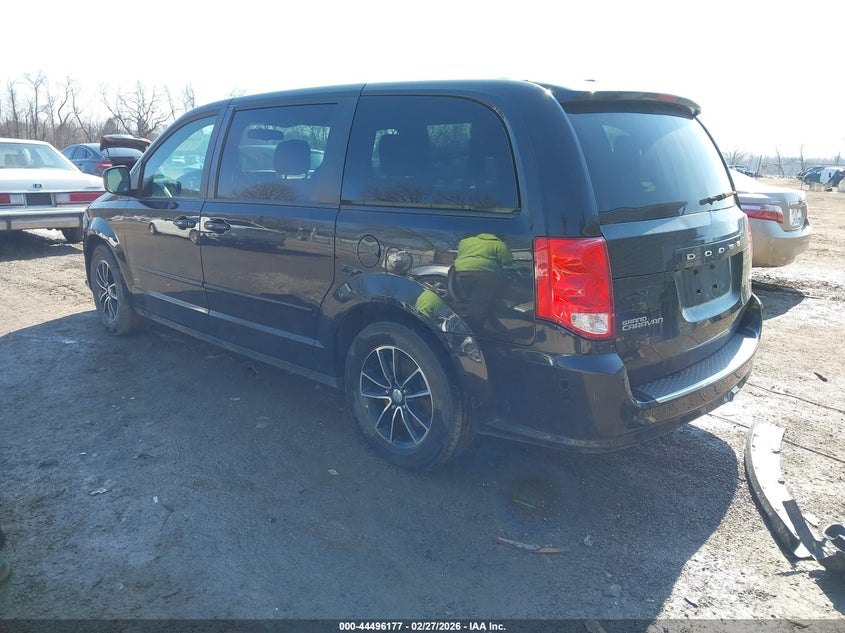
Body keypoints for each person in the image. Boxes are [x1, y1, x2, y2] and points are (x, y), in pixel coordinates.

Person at [449, 233, 514, 331]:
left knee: (468, 303)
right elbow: (508, 260)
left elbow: (460, 254)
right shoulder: (498, 244)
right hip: (485, 276)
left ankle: (461, 326)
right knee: (479, 305)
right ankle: (475, 331)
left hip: (461, 274)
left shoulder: (465, 242)